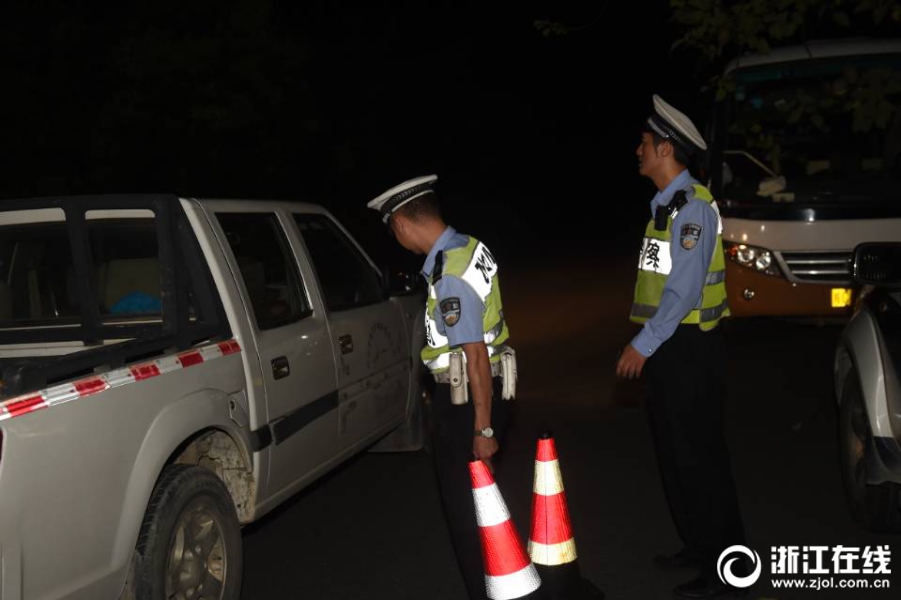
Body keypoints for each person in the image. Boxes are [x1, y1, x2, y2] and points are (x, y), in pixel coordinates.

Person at [615, 96, 747, 599]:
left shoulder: (692, 208)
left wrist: (642, 345)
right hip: (672, 350)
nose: (638, 151)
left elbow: (684, 290)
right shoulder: (666, 207)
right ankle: (698, 546)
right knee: (676, 457)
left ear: (665, 148)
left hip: (689, 348)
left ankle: (729, 573)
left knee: (702, 463)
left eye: (644, 144)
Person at [368, 175, 515, 600]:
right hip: (488, 391)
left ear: (401, 224)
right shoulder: (469, 246)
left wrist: (482, 428)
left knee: (468, 516)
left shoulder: (449, 275)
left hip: (469, 402)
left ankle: (486, 591)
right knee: (483, 503)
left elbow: (475, 356)